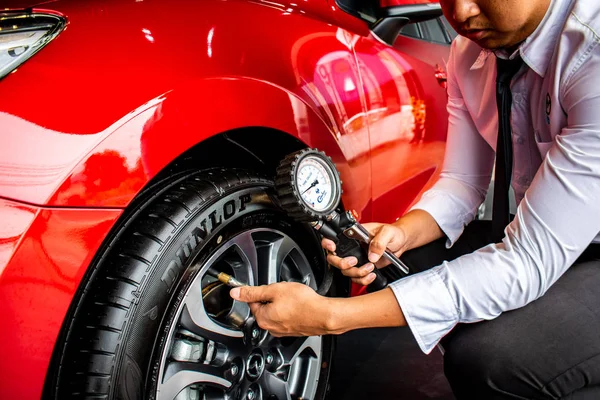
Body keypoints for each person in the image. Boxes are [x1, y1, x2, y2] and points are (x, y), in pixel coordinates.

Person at [230, 0, 600, 398]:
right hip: (552, 239)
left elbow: (526, 261)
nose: (460, 13)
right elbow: (462, 181)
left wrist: (334, 317)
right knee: (395, 260)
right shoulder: (469, 52)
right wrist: (401, 233)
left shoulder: (591, 58)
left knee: (491, 361)